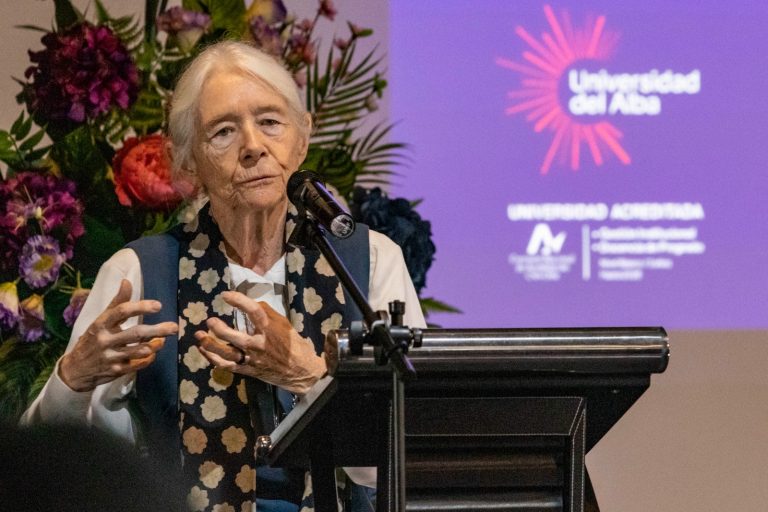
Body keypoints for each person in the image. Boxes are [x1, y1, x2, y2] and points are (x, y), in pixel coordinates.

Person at [21, 40, 426, 512]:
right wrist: (72, 380)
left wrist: (308, 377)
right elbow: (49, 469)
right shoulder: (140, 273)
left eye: (270, 122)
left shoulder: (370, 260)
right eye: (224, 132)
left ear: (302, 137)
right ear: (188, 162)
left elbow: (412, 459)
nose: (254, 147)